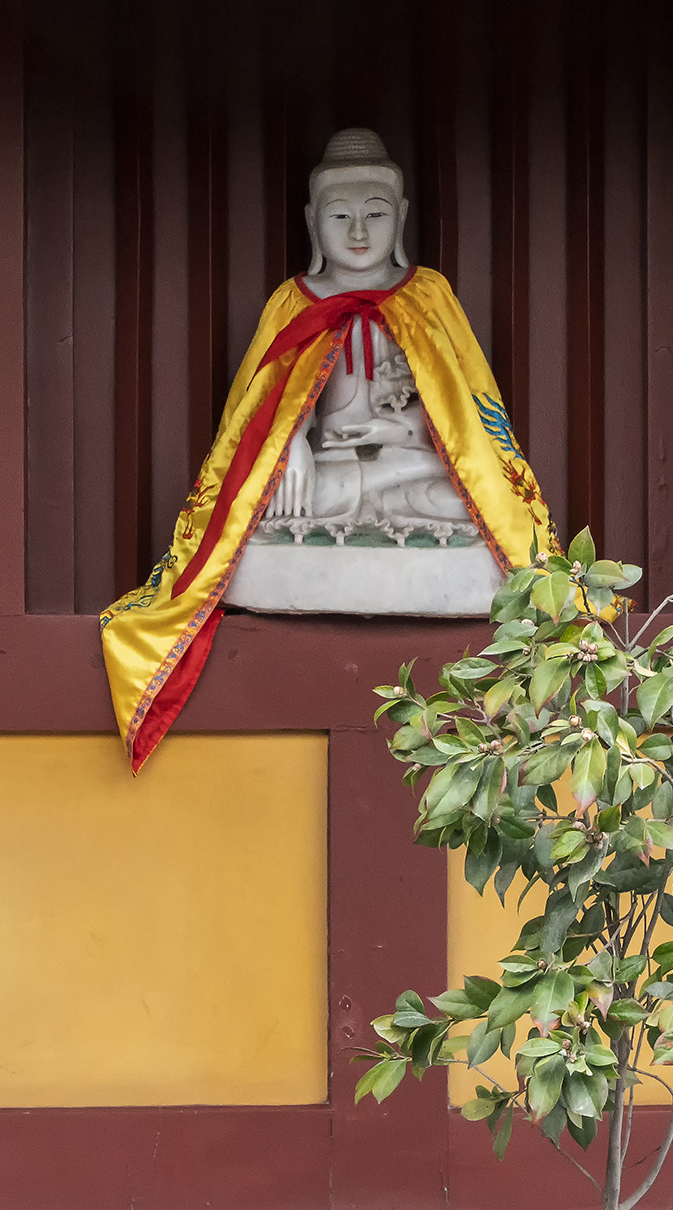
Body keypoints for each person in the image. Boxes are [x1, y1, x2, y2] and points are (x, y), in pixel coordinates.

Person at [100, 129, 554, 770]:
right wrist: (292, 448)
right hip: (327, 476)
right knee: (267, 508)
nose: (360, 232)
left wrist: (400, 436)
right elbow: (261, 413)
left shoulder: (428, 297)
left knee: (462, 503)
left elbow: (462, 416)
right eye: (341, 217)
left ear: (401, 219)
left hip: (409, 466)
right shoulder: (293, 303)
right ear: (313, 223)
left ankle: (392, 495)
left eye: (376, 214)